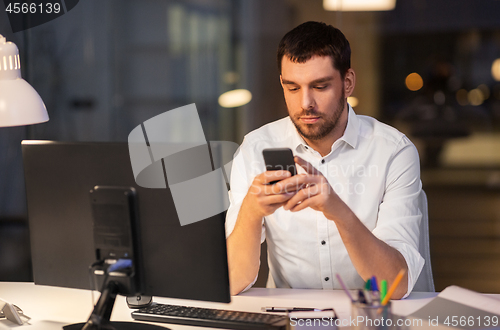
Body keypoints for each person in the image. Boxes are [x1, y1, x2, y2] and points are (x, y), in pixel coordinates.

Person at [225, 21, 424, 299]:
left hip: (368, 315)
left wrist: (337, 210)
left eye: (320, 86)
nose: (305, 102)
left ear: (348, 82)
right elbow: (232, 283)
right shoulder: (255, 149)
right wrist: (251, 212)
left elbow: (395, 285)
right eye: (292, 88)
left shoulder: (393, 151)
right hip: (288, 319)